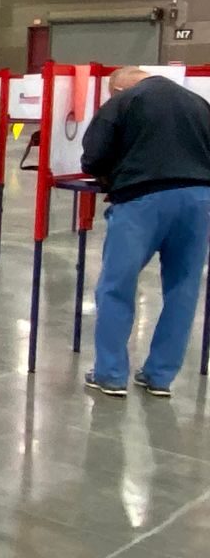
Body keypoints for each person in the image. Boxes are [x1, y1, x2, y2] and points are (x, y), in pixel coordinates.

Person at [81, 66, 210, 398]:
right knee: (183, 288)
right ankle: (159, 377)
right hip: (199, 200)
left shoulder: (123, 102)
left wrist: (109, 174)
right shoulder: (198, 102)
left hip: (142, 200)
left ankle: (110, 374)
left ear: (117, 89)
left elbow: (93, 157)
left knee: (116, 286)